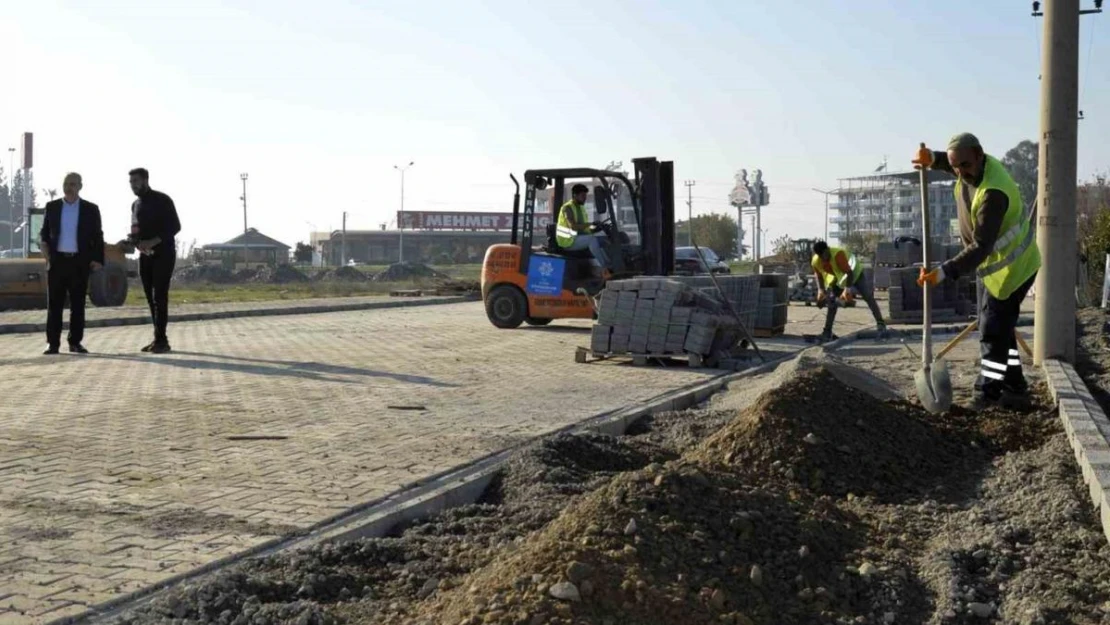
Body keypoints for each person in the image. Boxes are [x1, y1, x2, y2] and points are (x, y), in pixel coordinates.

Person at [913, 133, 1040, 408]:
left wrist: (944, 272)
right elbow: (954, 163)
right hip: (994, 269)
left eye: (965, 166)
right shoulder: (973, 168)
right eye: (955, 167)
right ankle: (1015, 388)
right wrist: (933, 159)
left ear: (980, 156)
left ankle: (987, 393)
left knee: (992, 332)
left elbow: (982, 246)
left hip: (1013, 270)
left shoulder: (993, 193)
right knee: (1001, 331)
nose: (960, 173)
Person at [39, 172, 105, 354]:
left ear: (80, 187)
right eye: (66, 184)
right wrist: (47, 255)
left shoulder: (90, 209)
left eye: (73, 184)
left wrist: (98, 259)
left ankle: (75, 342)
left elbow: (98, 236)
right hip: (57, 261)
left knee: (78, 305)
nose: (69, 187)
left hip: (79, 262)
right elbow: (44, 234)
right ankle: (52, 343)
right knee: (54, 305)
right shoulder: (52, 207)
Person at [129, 167, 181, 353]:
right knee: (150, 298)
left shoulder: (162, 200)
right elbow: (135, 229)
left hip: (163, 254)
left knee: (160, 296)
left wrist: (153, 241)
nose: (133, 185)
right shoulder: (135, 205)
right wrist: (134, 242)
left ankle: (162, 341)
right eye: (131, 182)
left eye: (136, 181)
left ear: (145, 180)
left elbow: (175, 226)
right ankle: (157, 337)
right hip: (145, 256)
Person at [811, 240, 887, 341]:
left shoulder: (838, 255)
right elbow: (819, 276)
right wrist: (821, 290)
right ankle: (827, 332)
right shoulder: (816, 261)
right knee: (832, 303)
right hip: (838, 277)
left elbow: (849, 273)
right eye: (821, 256)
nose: (823, 258)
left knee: (868, 296)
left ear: (827, 250)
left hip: (854, 273)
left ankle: (880, 323)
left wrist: (847, 290)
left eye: (824, 255)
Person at [556, 183, 611, 270]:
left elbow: (584, 228)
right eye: (583, 195)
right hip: (568, 242)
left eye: (585, 195)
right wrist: (590, 224)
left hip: (577, 238)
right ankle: (606, 268)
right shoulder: (567, 208)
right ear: (575, 195)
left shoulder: (581, 208)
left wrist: (597, 228)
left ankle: (610, 264)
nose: (585, 198)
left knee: (603, 240)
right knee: (592, 240)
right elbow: (573, 226)